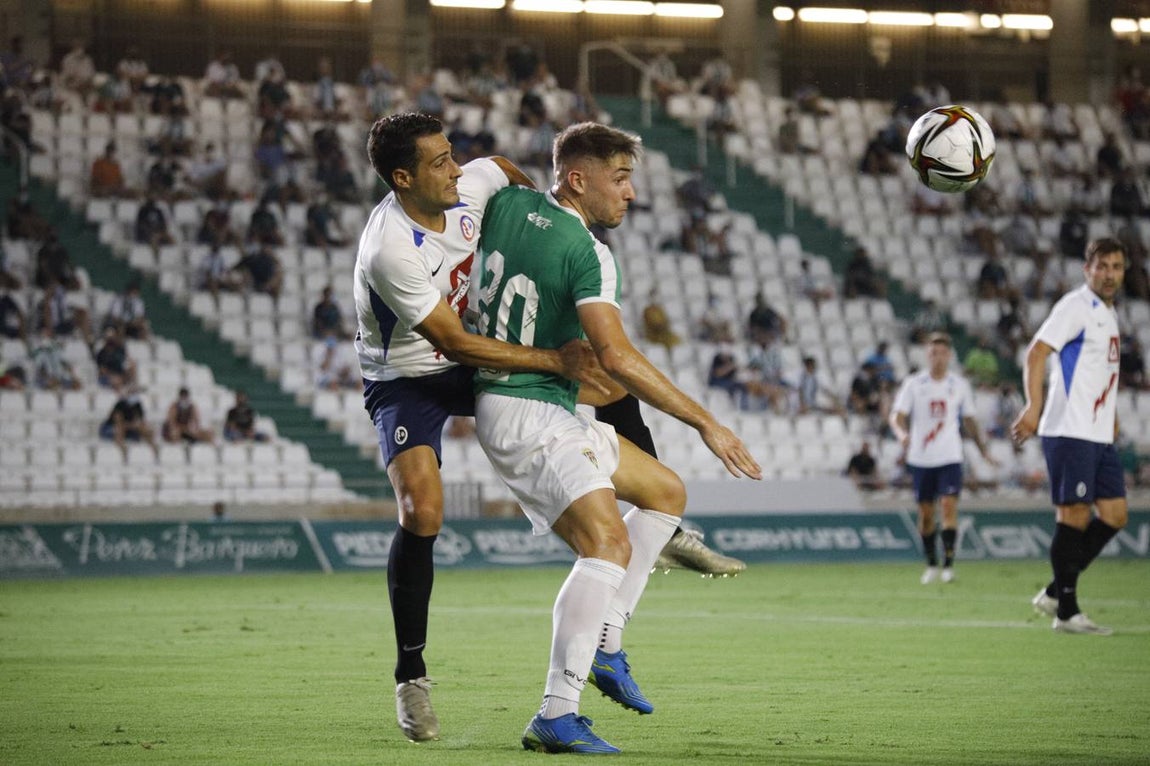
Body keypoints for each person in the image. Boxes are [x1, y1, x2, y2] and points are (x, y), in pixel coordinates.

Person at [355, 113, 742, 746]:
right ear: (402, 178)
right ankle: (411, 674)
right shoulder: (389, 247)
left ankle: (654, 518)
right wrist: (556, 361)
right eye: (438, 164)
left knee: (615, 389)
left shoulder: (476, 184)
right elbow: (453, 342)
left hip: (490, 361)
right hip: (412, 374)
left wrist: (546, 214)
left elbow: (507, 173)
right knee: (423, 511)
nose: (456, 169)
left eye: (453, 155)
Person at [472, 122, 761, 754]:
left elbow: (500, 169)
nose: (631, 193)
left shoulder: (508, 201)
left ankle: (607, 644)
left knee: (664, 492)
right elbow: (618, 356)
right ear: (579, 179)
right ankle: (557, 709)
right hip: (527, 409)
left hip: (539, 403)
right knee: (607, 544)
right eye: (621, 178)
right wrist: (707, 422)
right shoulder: (588, 253)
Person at [1011, 238, 1129, 635]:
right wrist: (1033, 406)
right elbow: (1036, 352)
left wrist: (1110, 417)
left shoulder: (1109, 314)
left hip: (1097, 433)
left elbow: (1102, 375)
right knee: (1074, 517)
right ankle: (1067, 612)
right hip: (1069, 430)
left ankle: (1053, 592)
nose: (1109, 274)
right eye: (1102, 266)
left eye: (1116, 266)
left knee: (1114, 516)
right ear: (1087, 269)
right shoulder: (1075, 307)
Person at [890, 333, 996, 585]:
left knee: (948, 507)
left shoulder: (959, 386)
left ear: (949, 356)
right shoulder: (914, 384)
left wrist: (983, 450)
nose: (937, 357)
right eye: (933, 352)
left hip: (950, 456)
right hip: (921, 458)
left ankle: (948, 565)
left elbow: (969, 419)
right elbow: (897, 416)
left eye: (942, 353)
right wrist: (902, 434)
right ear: (927, 355)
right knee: (926, 514)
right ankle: (931, 563)